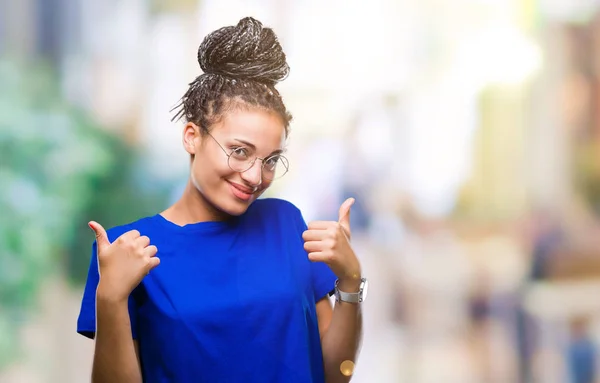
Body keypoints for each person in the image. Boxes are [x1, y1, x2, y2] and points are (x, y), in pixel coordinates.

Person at [77, 17, 367, 383]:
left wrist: (350, 281)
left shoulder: (285, 223)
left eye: (271, 160)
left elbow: (335, 374)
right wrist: (111, 300)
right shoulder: (126, 250)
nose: (254, 176)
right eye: (239, 151)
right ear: (192, 137)